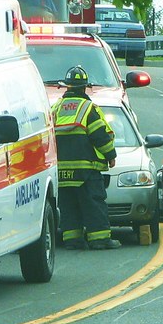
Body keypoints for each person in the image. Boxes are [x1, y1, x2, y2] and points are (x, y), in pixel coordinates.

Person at [51, 66, 121, 250]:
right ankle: (100, 239)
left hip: (61, 171)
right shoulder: (88, 108)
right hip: (86, 169)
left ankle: (72, 240)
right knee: (93, 203)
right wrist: (111, 155)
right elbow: (100, 135)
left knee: (68, 206)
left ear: (67, 86)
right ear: (84, 87)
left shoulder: (56, 108)